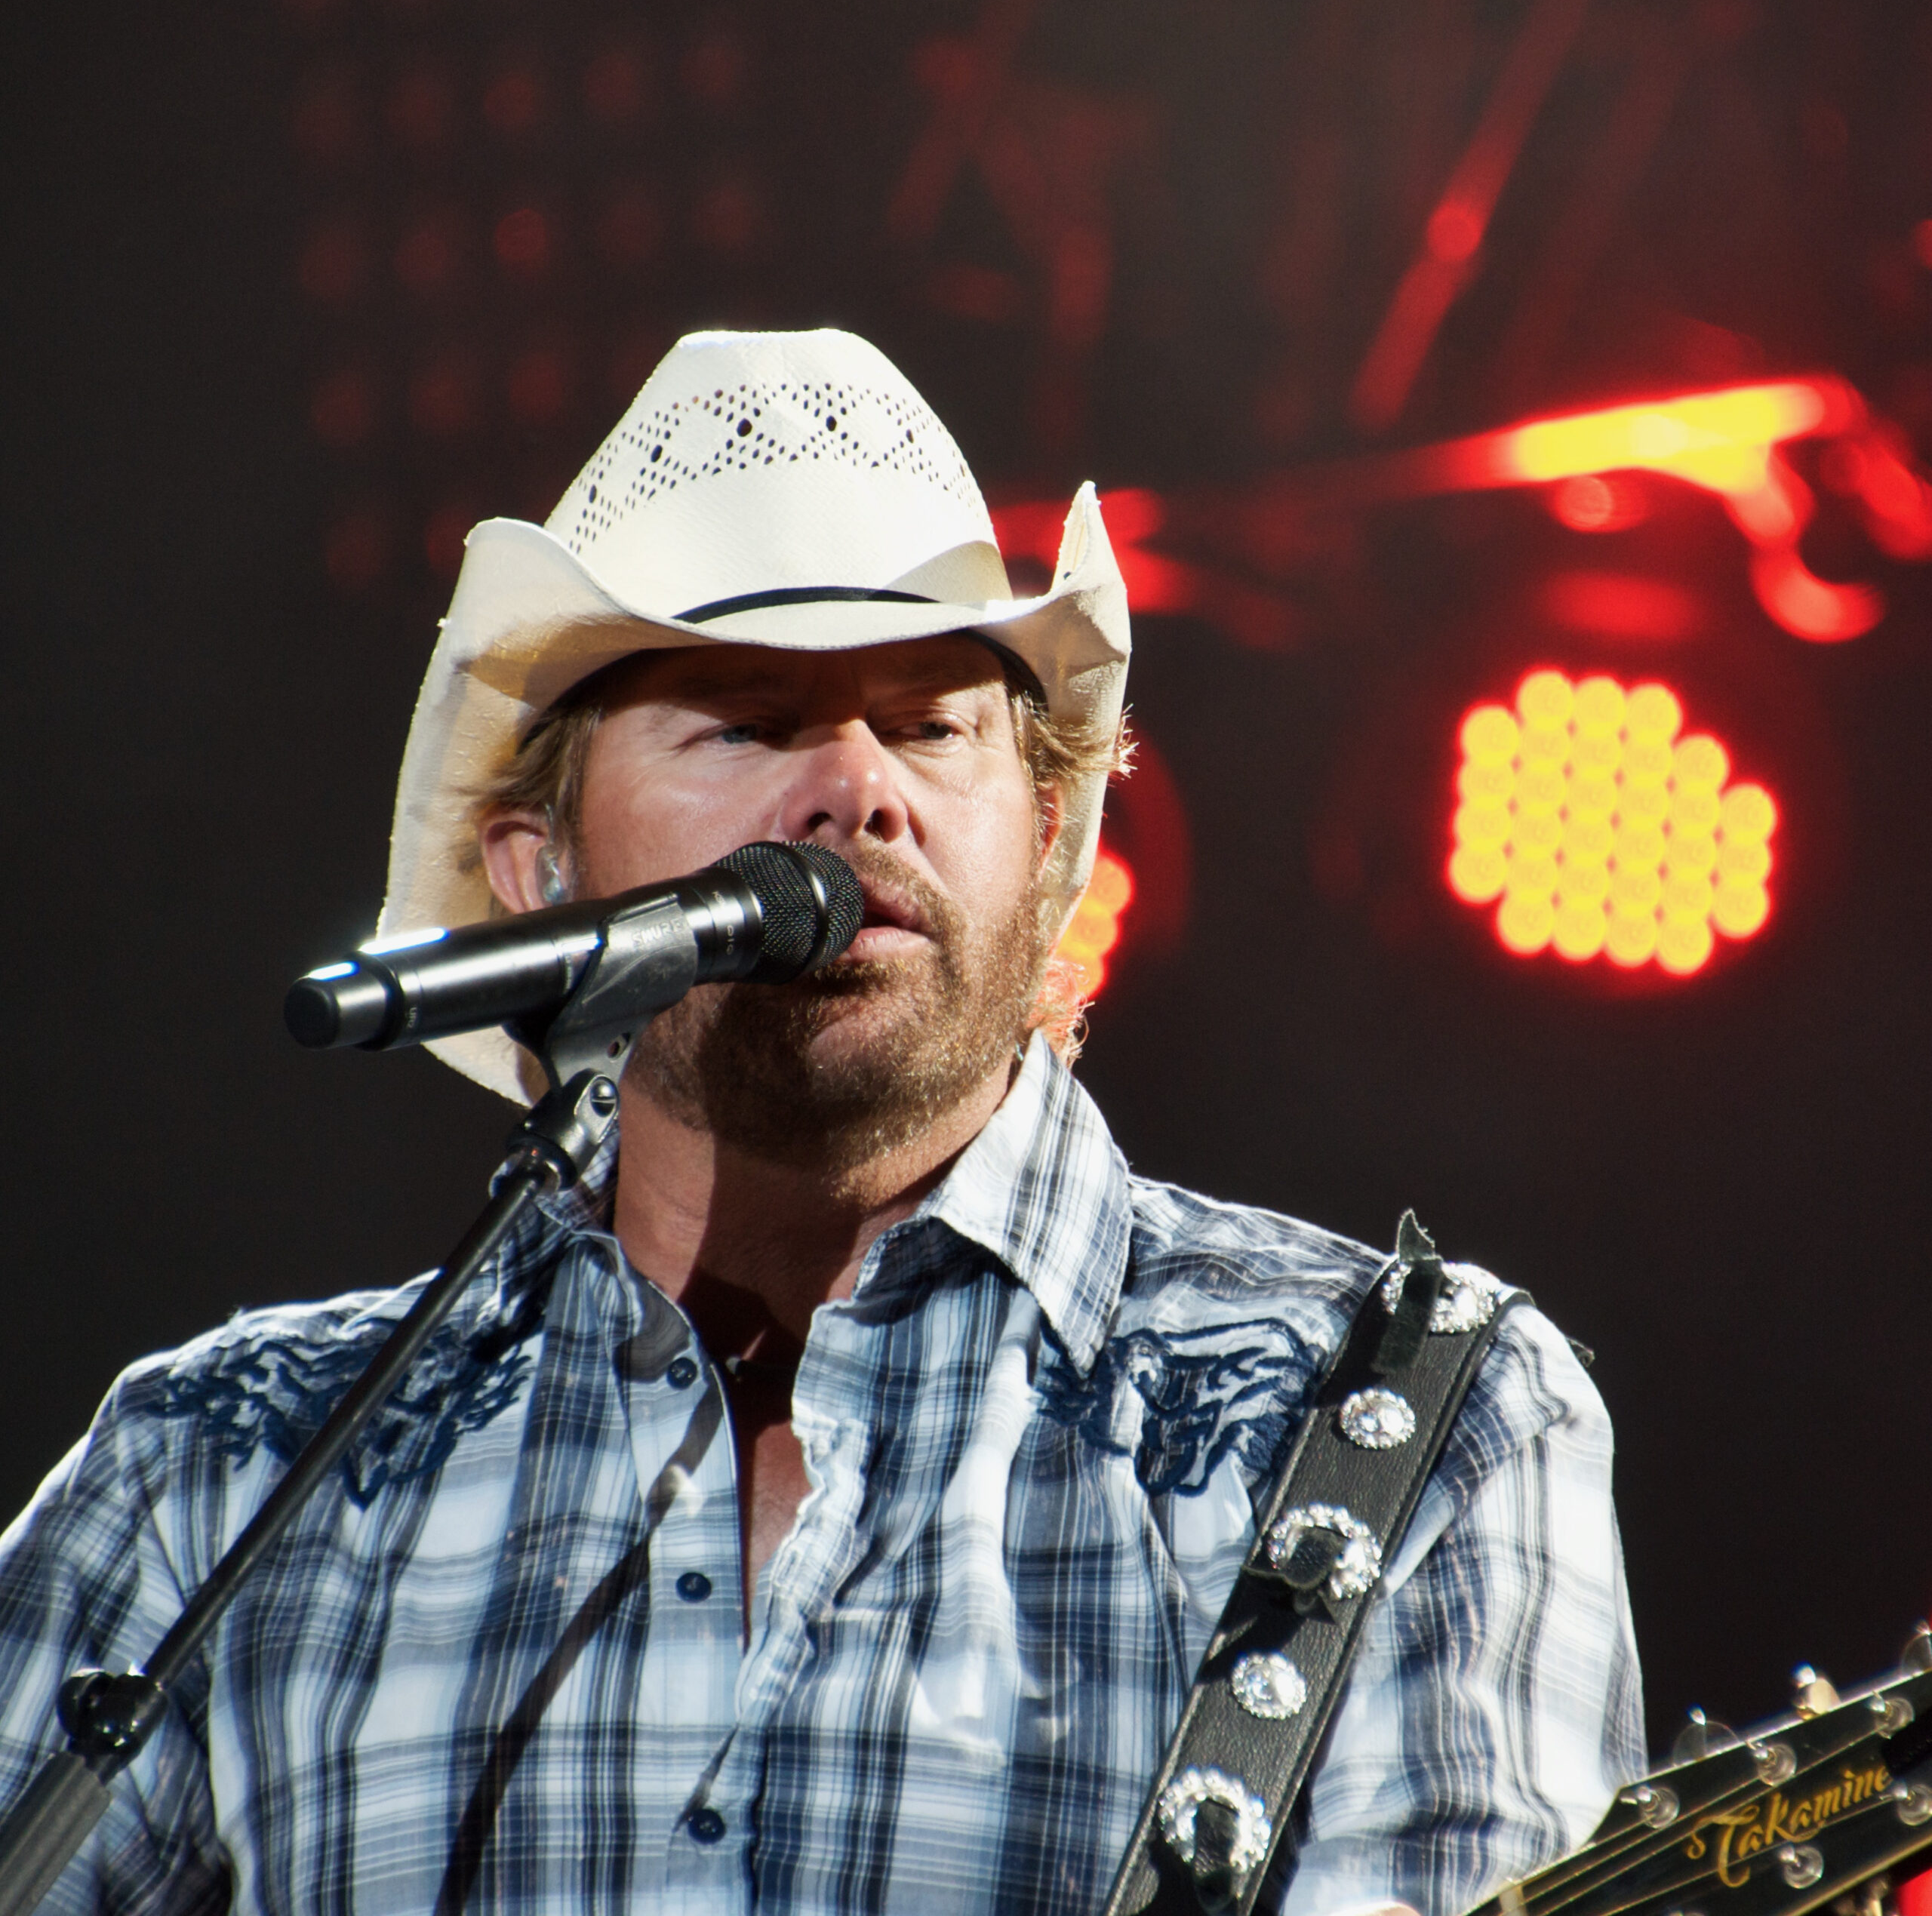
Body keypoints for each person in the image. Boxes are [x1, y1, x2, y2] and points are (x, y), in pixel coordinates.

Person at [0, 328, 1642, 1915]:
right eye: (747, 721)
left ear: (1045, 835)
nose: (857, 786)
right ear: (539, 873)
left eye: (930, 725)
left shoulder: (1403, 1416)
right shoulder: (219, 1473)